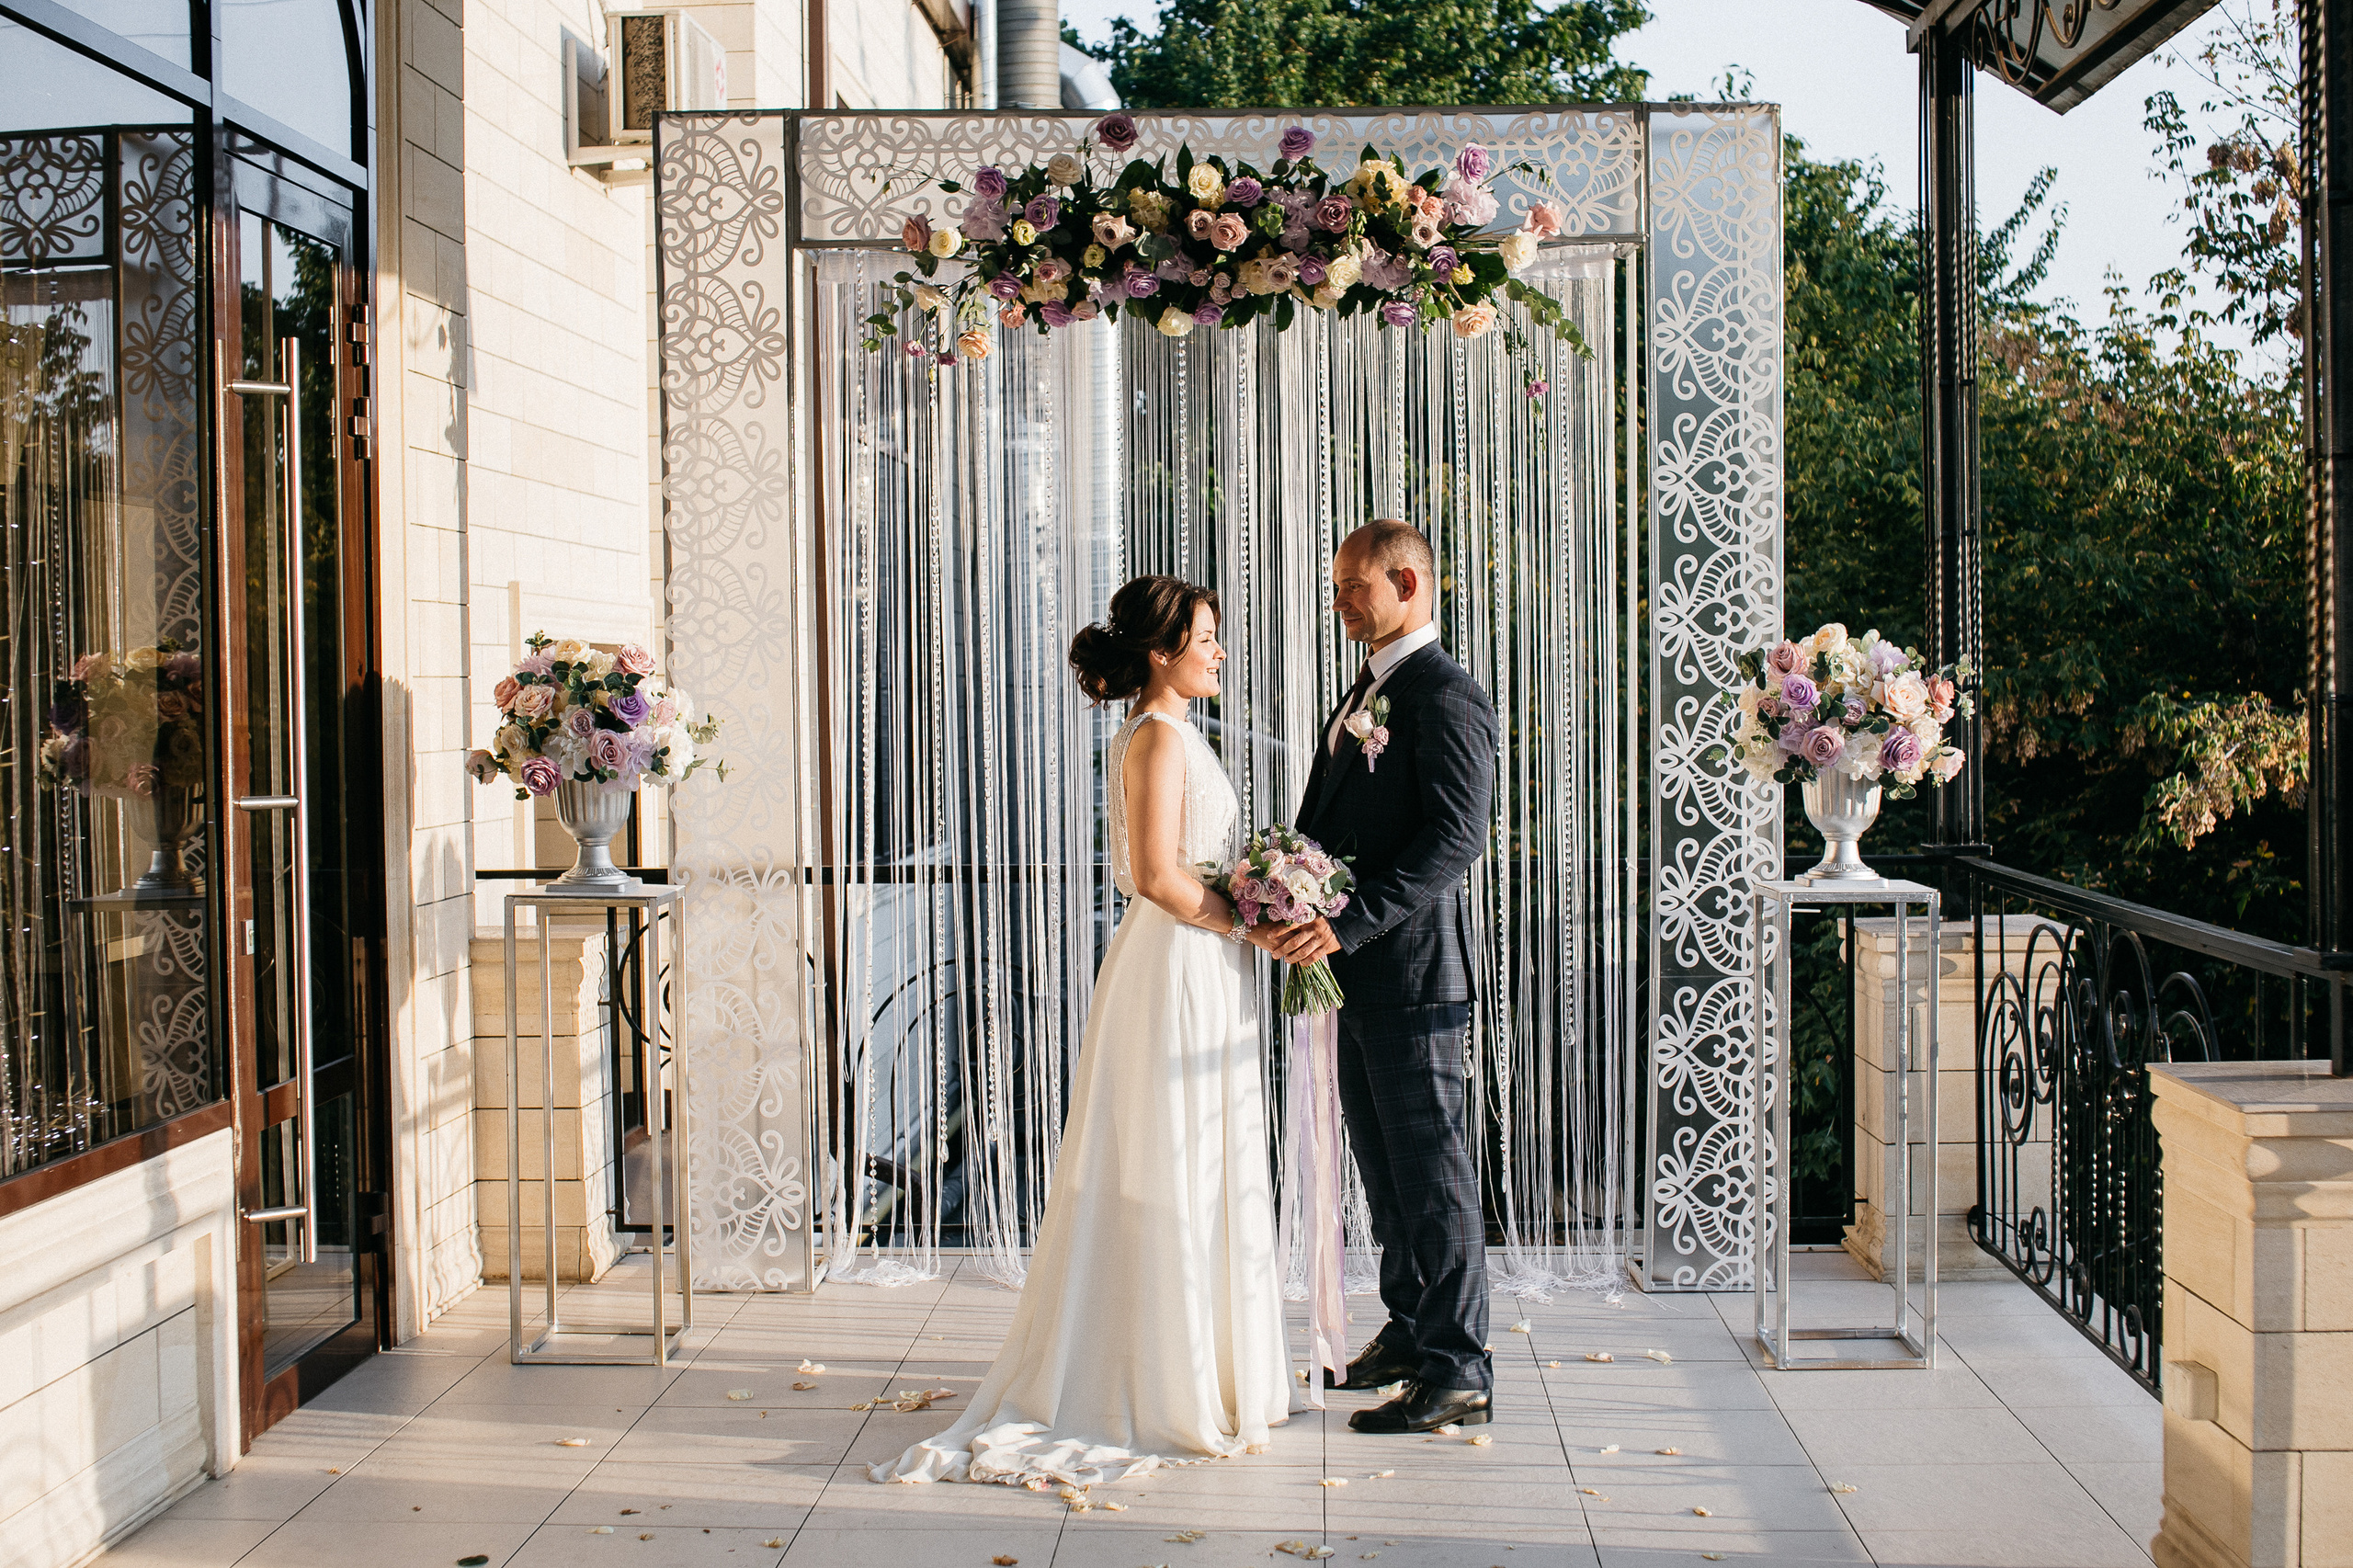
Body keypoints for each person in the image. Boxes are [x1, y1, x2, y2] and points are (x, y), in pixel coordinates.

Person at [871, 575, 1293, 1488]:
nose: (1219, 652)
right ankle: (1154, 1375)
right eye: (1206, 637)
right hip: (1176, 958)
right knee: (1169, 1155)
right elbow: (1151, 872)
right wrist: (1247, 919)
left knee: (1201, 1151)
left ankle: (1205, 1367)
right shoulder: (1156, 737)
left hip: (1201, 959)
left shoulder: (1175, 733)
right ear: (1159, 651)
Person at [1268, 518, 1501, 1435]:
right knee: (1387, 1170)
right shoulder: (1371, 687)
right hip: (1356, 978)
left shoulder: (1443, 694)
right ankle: (1409, 1330)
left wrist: (1345, 921)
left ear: (1408, 582)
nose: (1339, 603)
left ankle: (1461, 1364)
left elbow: (1454, 840)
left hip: (1410, 978)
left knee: (1432, 1174)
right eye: (1336, 587)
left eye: (1353, 587)